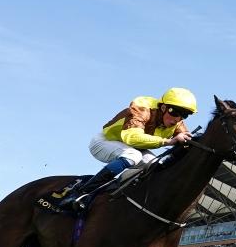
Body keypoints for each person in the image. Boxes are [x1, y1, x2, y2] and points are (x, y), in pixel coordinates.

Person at [56, 88, 197, 211]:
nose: (177, 119)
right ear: (163, 107)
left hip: (133, 148)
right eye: (174, 112)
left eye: (184, 115)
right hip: (104, 142)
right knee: (133, 155)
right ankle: (81, 193)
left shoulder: (177, 122)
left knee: (155, 164)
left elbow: (186, 141)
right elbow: (131, 138)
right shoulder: (142, 108)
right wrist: (167, 141)